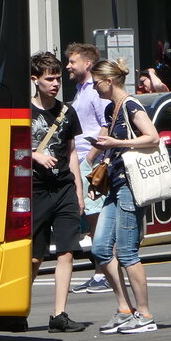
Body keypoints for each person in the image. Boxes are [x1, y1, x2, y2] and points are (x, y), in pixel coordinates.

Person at [88, 58, 161, 334]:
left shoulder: (131, 104)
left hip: (132, 184)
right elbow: (112, 147)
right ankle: (124, 309)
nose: (95, 89)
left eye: (97, 83)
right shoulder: (112, 109)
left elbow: (152, 136)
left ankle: (145, 315)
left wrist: (117, 142)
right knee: (100, 248)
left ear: (109, 81)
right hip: (116, 183)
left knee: (128, 252)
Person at [29, 52, 86, 332]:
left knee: (66, 251)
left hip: (63, 187)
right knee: (34, 257)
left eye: (58, 78)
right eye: (49, 78)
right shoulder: (23, 112)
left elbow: (73, 152)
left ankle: (59, 315)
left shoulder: (67, 111)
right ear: (34, 80)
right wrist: (34, 156)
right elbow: (6, 147)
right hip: (35, 190)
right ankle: (17, 309)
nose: (55, 84)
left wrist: (79, 190)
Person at [65, 43, 112, 294]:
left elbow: (106, 125)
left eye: (73, 62)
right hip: (81, 161)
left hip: (91, 163)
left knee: (98, 220)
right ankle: (100, 273)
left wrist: (91, 159)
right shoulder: (81, 90)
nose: (68, 66)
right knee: (92, 220)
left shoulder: (95, 91)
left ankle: (104, 274)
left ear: (87, 64)